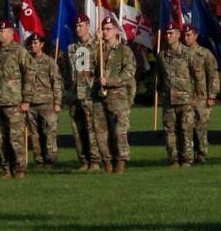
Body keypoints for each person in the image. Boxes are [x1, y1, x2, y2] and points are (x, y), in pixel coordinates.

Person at [0, 19, 32, 179]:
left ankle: (20, 169)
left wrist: (26, 99)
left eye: (2, 31)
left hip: (15, 102)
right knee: (0, 139)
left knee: (16, 138)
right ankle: (6, 168)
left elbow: (29, 74)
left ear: (11, 32)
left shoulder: (19, 51)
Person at [95, 14, 136, 173]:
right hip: (99, 97)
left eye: (108, 29)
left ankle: (120, 161)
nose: (105, 32)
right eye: (103, 29)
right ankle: (107, 161)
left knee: (119, 131)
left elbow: (129, 72)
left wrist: (110, 81)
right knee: (101, 132)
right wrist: (96, 41)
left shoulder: (124, 51)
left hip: (118, 97)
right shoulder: (98, 48)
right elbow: (86, 60)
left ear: (116, 31)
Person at [63, 14, 101, 171]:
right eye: (76, 26)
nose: (78, 29)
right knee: (77, 129)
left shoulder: (97, 45)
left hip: (89, 93)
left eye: (81, 26)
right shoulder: (72, 48)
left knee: (91, 127)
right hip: (74, 94)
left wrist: (98, 41)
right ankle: (84, 160)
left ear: (88, 26)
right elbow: (67, 70)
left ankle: (95, 160)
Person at [157, 21, 196, 167]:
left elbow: (196, 77)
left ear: (178, 35)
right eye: (167, 33)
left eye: (171, 33)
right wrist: (160, 94)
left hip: (185, 100)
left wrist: (197, 97)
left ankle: (187, 160)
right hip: (169, 101)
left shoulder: (188, 54)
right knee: (170, 132)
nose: (168, 36)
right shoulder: (162, 56)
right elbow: (160, 78)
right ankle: (173, 159)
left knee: (186, 131)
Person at [23, 32, 62, 167]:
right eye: (31, 43)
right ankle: (39, 159)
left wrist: (57, 102)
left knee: (48, 132)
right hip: (31, 103)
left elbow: (56, 82)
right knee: (35, 134)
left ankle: (50, 159)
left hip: (47, 102)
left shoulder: (49, 62)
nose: (33, 46)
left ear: (42, 45)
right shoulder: (27, 61)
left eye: (36, 43)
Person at [182, 23, 219, 163]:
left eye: (189, 35)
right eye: (184, 35)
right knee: (186, 127)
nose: (186, 38)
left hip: (202, 97)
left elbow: (213, 75)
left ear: (195, 36)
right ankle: (188, 154)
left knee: (201, 127)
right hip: (186, 97)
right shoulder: (181, 54)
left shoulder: (205, 54)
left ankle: (202, 153)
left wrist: (212, 95)